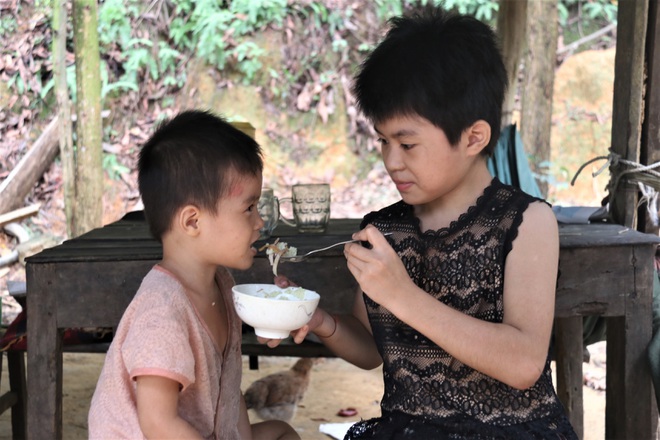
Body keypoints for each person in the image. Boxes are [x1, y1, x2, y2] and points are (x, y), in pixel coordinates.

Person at [268, 6, 577, 439]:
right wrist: (320, 321)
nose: (391, 161)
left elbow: (523, 363)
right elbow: (371, 348)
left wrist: (402, 295)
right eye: (383, 140)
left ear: (473, 137)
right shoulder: (388, 230)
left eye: (407, 144)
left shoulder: (525, 222)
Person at [88, 110, 299, 440]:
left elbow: (227, 391)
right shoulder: (162, 311)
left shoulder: (221, 284)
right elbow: (158, 424)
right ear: (192, 222)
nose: (259, 222)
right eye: (249, 208)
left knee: (280, 433)